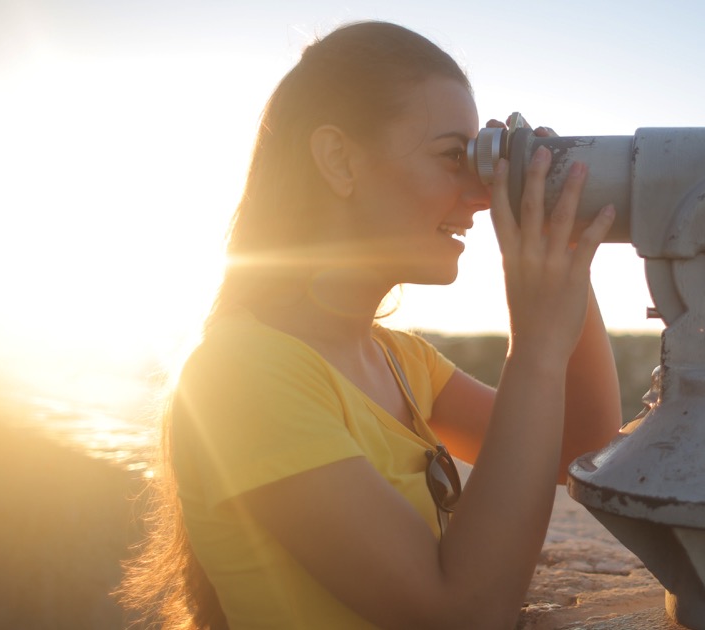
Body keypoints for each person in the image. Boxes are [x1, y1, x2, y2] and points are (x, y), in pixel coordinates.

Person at [117, 21, 622, 629]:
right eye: (453, 157)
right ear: (338, 160)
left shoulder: (401, 362)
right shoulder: (240, 372)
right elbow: (460, 613)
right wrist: (537, 347)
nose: (482, 196)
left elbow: (580, 451)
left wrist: (562, 239)